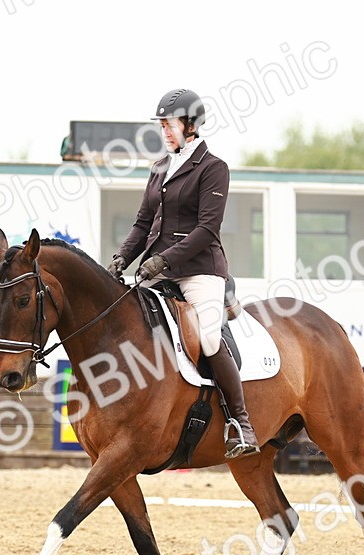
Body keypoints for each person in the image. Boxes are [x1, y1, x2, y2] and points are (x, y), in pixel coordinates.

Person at [108, 88, 259, 459]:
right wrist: (121, 258)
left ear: (191, 125)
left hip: (198, 270)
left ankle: (241, 423)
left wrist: (163, 260)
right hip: (157, 269)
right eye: (162, 125)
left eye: (170, 124)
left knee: (208, 339)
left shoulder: (213, 168)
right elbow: (143, 223)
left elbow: (207, 229)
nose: (165, 131)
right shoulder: (159, 167)